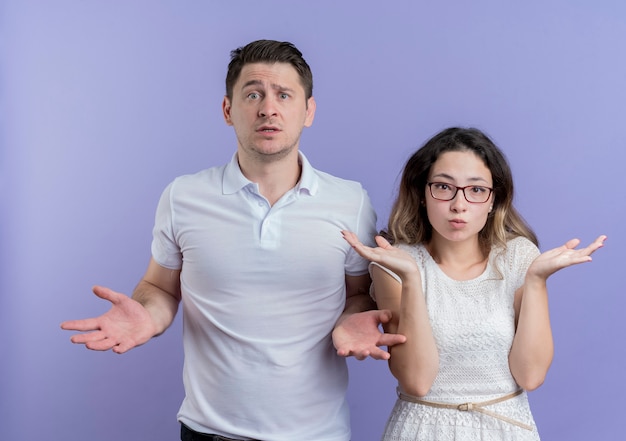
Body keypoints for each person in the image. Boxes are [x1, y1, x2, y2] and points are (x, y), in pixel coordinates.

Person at [61, 39, 406, 441]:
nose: (268, 109)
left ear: (308, 111)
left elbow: (358, 293)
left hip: (316, 434)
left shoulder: (350, 201)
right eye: (253, 94)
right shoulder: (183, 196)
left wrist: (353, 319)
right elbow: (159, 287)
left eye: (284, 95)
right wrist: (148, 315)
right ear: (228, 110)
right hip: (207, 432)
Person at [342, 127, 606, 440]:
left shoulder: (519, 256)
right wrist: (412, 279)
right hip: (423, 429)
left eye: (476, 190)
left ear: (494, 200)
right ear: (422, 194)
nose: (459, 204)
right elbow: (417, 380)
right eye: (443, 187)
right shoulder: (395, 262)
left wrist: (536, 280)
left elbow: (530, 376)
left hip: (506, 427)